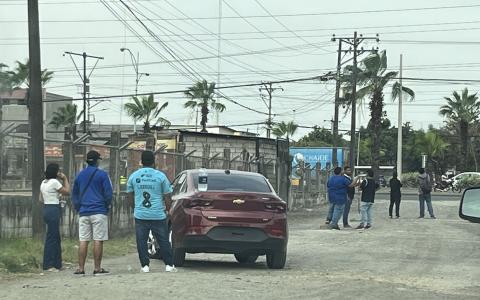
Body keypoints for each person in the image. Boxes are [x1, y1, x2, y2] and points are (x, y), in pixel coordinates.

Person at [127, 150, 177, 273]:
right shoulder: (160, 176)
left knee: (141, 241)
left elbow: (129, 196)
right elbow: (167, 196)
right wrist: (168, 210)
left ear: (141, 162)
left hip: (141, 214)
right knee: (163, 240)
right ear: (154, 162)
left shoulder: (134, 176)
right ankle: (169, 265)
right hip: (158, 215)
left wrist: (135, 207)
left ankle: (145, 266)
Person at [72, 150, 113, 275]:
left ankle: (81, 268)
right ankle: (97, 268)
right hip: (99, 211)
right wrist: (106, 207)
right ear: (97, 161)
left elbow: (75, 195)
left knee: (83, 240)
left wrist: (79, 207)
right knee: (98, 240)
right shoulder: (102, 175)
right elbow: (108, 194)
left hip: (84, 212)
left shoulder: (80, 175)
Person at [40, 163, 70, 272]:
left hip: (47, 208)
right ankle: (48, 264)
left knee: (56, 237)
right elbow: (67, 191)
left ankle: (58, 263)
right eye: (58, 171)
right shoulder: (54, 182)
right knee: (52, 238)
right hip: (53, 209)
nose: (60, 173)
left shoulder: (43, 183)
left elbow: (40, 198)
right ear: (55, 172)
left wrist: (52, 197)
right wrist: (65, 179)